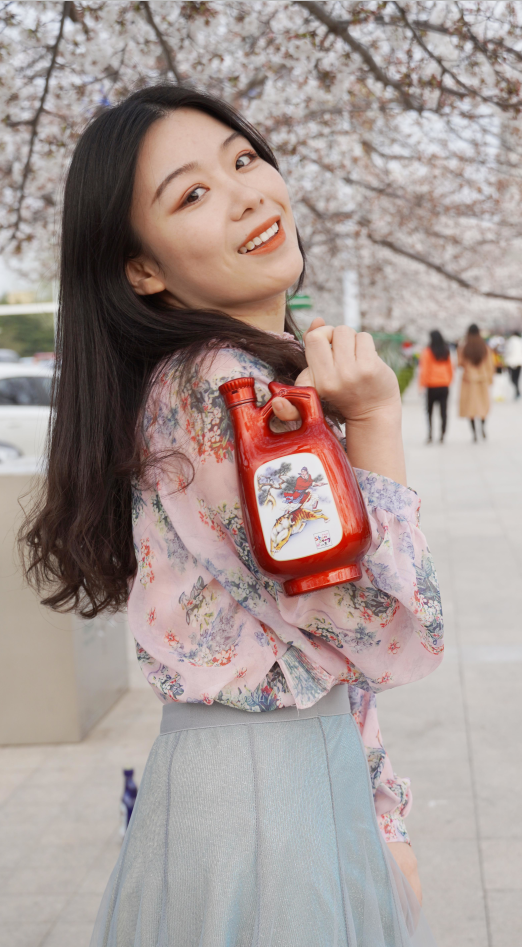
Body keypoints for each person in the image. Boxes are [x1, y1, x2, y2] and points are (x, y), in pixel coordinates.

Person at [21, 86, 443, 947]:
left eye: (243, 159)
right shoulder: (232, 395)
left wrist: (381, 813)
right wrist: (377, 419)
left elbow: (321, 645)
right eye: (192, 193)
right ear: (141, 268)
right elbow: (389, 630)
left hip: (258, 785)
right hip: (272, 806)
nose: (248, 193)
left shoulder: (200, 382)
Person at [458, 324, 494, 441]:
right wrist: (490, 380)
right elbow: (490, 365)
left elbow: (460, 363)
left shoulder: (464, 347)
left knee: (471, 408)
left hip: (468, 381)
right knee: (483, 406)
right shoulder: (485, 347)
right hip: (482, 380)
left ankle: (474, 434)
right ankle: (482, 427)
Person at [419, 330, 453, 443]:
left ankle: (430, 434)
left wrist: (421, 385)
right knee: (443, 411)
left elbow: (424, 370)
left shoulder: (427, 352)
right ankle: (442, 434)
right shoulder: (446, 351)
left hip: (431, 385)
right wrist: (449, 380)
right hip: (444, 385)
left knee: (430, 411)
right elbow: (450, 368)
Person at [504, 331, 522, 398]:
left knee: (512, 378)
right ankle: (518, 391)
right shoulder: (521, 341)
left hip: (512, 362)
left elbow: (509, 350)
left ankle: (517, 390)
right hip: (520, 361)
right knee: (517, 378)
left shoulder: (511, 341)